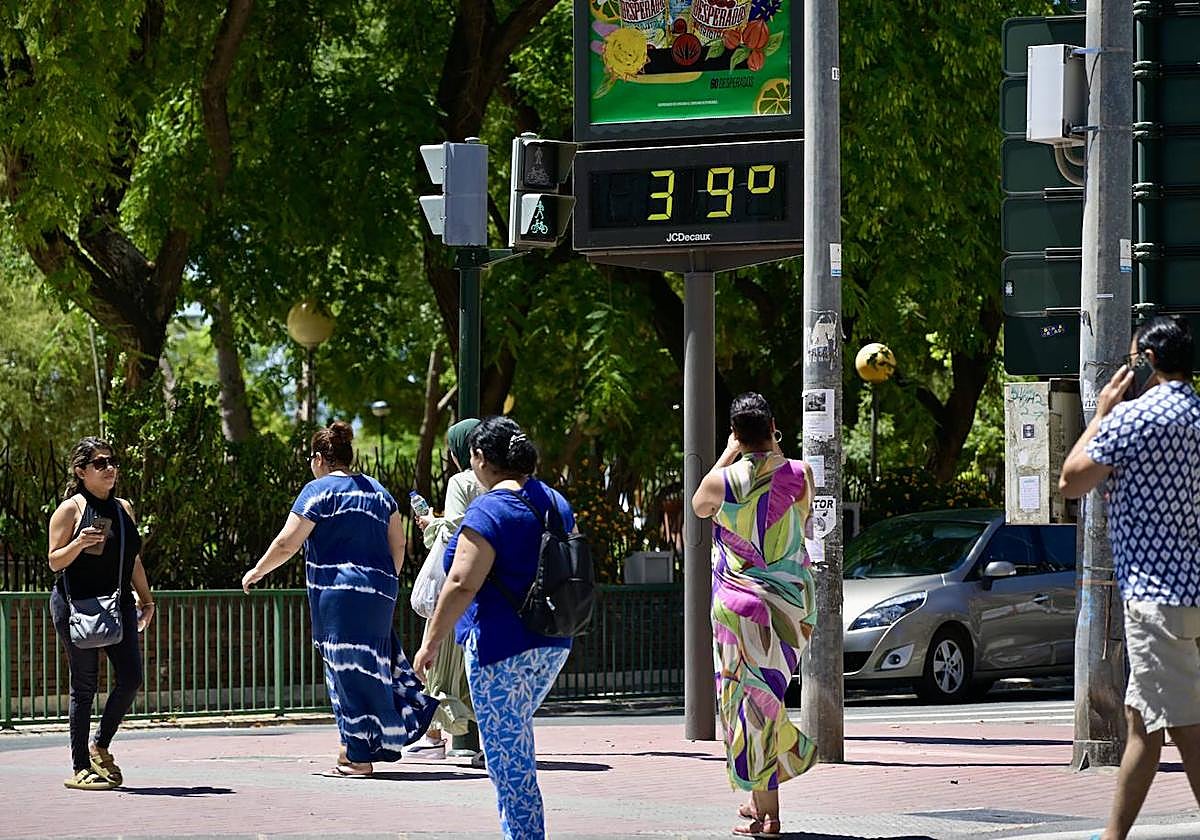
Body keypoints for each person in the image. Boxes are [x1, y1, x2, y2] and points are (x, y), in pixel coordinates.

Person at [1059, 315, 1200, 840]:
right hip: (1193, 591)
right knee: (1144, 723)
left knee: (1183, 726)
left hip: (1155, 597)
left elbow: (1071, 479)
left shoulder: (1135, 419)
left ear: (1147, 361)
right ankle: (1111, 837)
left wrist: (1099, 415)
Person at [242, 420, 438, 777]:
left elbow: (288, 542)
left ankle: (357, 755)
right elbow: (399, 544)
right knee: (372, 663)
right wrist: (384, 581)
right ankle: (365, 739)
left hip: (339, 593)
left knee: (346, 670)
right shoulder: (380, 493)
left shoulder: (318, 491)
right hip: (379, 592)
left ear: (319, 459)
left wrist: (257, 570)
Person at [413, 416, 574, 840]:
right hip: (553, 641)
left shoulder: (490, 508)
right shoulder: (553, 501)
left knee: (507, 760)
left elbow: (462, 581)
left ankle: (523, 836)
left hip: (499, 646)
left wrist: (430, 643)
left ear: (482, 459)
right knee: (514, 739)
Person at [691, 392, 819, 838]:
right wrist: (769, 447)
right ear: (772, 428)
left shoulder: (721, 483)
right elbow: (798, 522)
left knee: (749, 704)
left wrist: (729, 453)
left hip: (740, 606)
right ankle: (761, 802)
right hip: (791, 608)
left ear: (736, 434)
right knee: (766, 699)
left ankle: (769, 817)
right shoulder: (801, 474)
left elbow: (698, 507)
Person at [47, 437, 155, 791]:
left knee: (131, 677)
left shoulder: (124, 508)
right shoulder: (71, 510)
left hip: (118, 603)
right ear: (81, 472)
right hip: (77, 605)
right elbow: (53, 561)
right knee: (84, 685)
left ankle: (100, 745)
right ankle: (80, 767)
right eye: (100, 464)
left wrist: (147, 600)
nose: (110, 469)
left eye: (112, 462)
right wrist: (78, 544)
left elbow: (133, 558)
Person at [405, 417, 483, 761]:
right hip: (492, 585)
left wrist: (429, 523)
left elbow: (454, 530)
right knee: (474, 668)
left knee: (437, 659)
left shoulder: (461, 481)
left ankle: (434, 737)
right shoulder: (508, 483)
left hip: (458, 583)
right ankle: (476, 745)